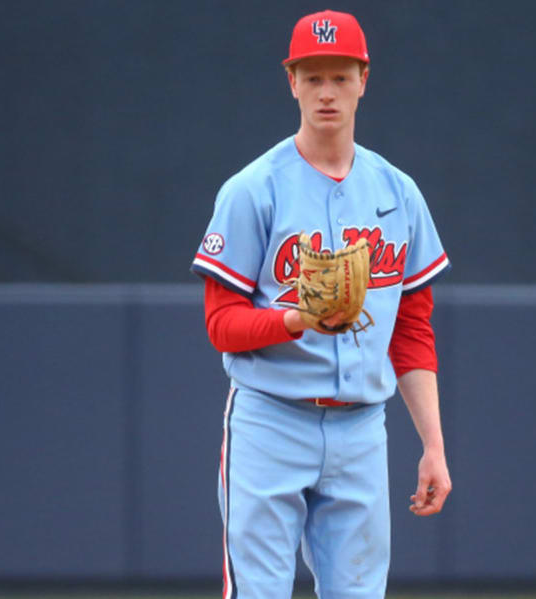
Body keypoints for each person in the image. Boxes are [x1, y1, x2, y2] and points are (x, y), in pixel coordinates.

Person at [191, 10, 452, 598]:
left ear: (364, 78)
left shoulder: (398, 193)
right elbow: (219, 324)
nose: (326, 92)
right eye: (313, 77)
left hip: (362, 427)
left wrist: (432, 445)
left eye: (338, 76)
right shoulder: (252, 190)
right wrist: (296, 319)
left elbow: (411, 329)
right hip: (270, 419)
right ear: (291, 82)